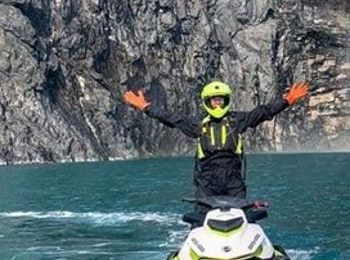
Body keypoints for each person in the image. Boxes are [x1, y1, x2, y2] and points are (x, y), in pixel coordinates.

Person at [123, 78, 309, 199]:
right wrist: (146, 107)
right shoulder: (198, 123)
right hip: (207, 178)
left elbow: (263, 112)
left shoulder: (238, 120)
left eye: (221, 99)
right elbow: (170, 117)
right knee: (201, 217)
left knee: (241, 215)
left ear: (226, 101)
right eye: (214, 100)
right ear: (208, 102)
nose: (218, 103)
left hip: (233, 176)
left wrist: (286, 101)